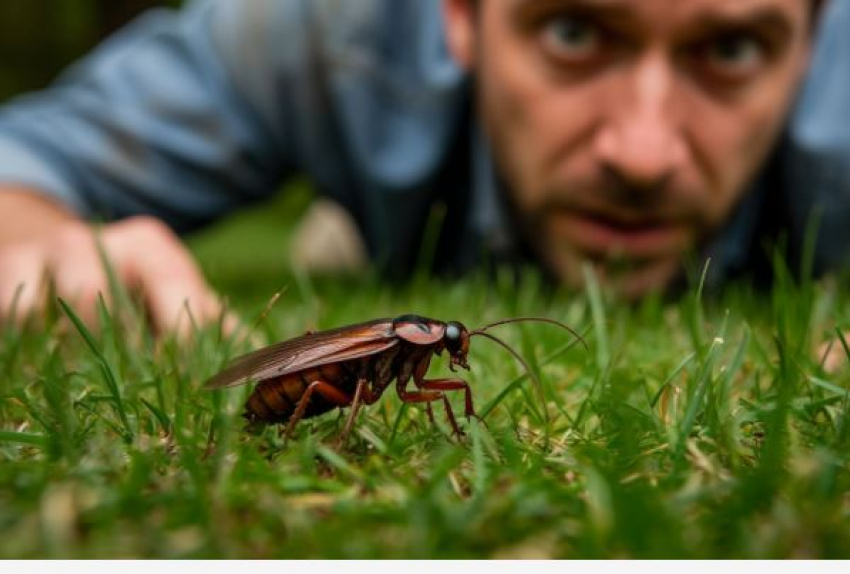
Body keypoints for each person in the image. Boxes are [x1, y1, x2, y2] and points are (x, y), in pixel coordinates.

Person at [0, 0, 846, 334]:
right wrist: (41, 242)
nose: (642, 154)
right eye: (574, 35)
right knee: (345, 249)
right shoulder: (332, 38)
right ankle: (355, 224)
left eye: (732, 50)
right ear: (461, 16)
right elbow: (29, 155)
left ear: (813, 41)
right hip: (379, 154)